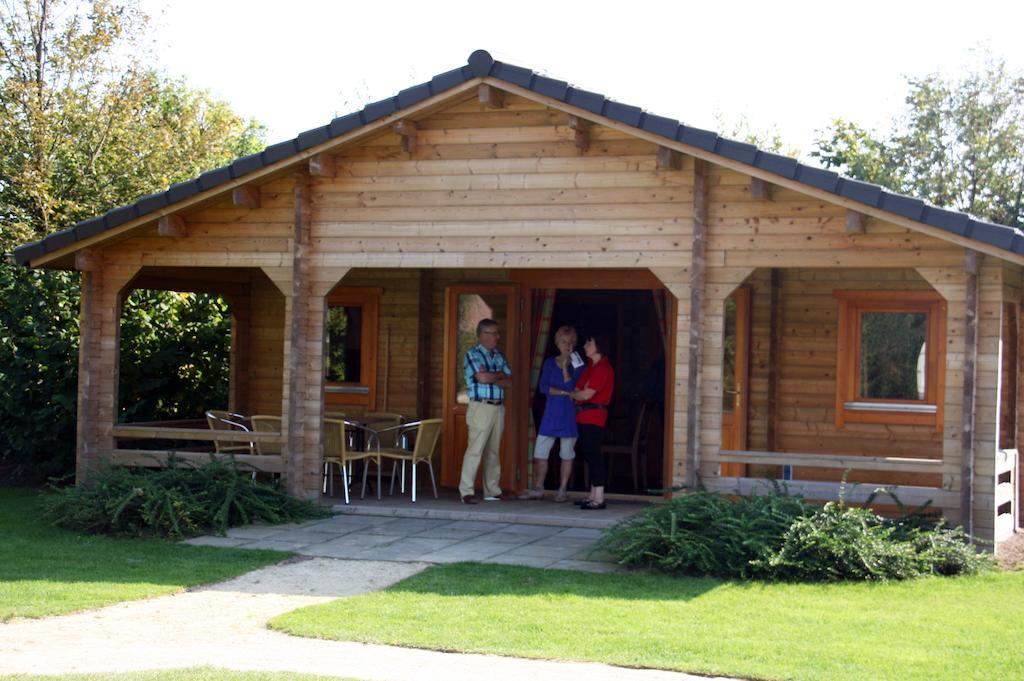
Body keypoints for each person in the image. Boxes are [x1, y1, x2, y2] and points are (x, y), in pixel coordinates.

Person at [519, 325, 584, 502]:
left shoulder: (578, 364)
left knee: (567, 453)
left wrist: (564, 369)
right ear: (557, 343)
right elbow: (543, 387)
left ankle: (562, 490)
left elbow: (574, 388)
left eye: (571, 342)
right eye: (564, 341)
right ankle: (539, 488)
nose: (567, 345)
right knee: (541, 452)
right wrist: (563, 392)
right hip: (551, 414)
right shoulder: (548, 362)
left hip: (569, 415)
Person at [459, 318, 515, 504]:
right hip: (480, 406)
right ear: (483, 335)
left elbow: (509, 381)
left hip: (498, 407)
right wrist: (497, 375)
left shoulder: (499, 355)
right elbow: (482, 378)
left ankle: (492, 490)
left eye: (498, 333)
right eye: (494, 333)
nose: (498, 337)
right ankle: (466, 491)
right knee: (475, 450)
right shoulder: (472, 354)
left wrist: (494, 376)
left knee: (493, 451)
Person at [572, 333, 615, 510]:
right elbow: (578, 390)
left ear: (599, 346)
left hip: (595, 417)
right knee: (589, 455)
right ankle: (592, 495)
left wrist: (576, 395)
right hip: (583, 416)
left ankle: (599, 498)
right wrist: (577, 395)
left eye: (589, 342)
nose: (585, 345)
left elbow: (586, 394)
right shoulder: (590, 367)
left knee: (595, 455)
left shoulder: (603, 368)